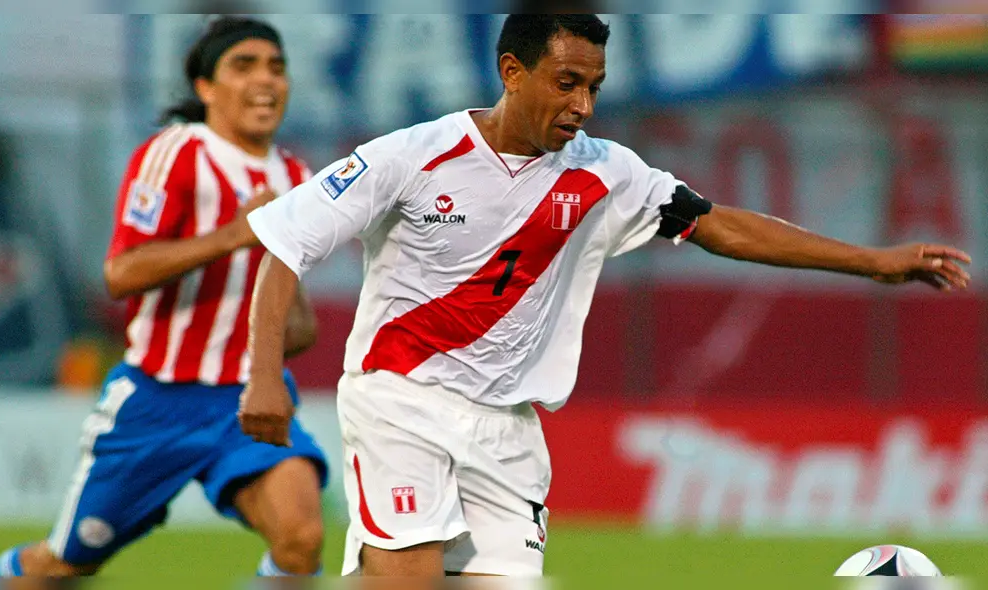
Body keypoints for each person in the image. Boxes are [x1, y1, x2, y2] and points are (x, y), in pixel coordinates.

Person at [235, 14, 971, 578]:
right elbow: (283, 243)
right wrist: (265, 374)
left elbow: (722, 227)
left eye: (593, 86)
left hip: (509, 430)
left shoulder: (608, 173)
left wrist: (872, 263)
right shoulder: (412, 155)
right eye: (566, 83)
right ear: (511, 71)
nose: (583, 104)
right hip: (402, 400)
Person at [0, 16, 328, 578]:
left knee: (302, 539)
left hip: (243, 401)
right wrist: (232, 235)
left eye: (276, 66)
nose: (265, 80)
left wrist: (287, 326)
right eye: (243, 66)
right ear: (205, 88)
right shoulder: (177, 152)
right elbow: (120, 273)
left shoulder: (296, 175)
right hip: (156, 401)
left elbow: (298, 321)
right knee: (64, 564)